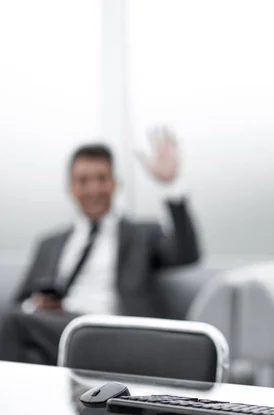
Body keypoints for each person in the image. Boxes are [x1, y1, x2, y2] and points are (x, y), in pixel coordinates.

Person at [0, 126, 201, 365]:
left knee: (13, 328)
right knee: (25, 347)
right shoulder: (49, 244)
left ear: (114, 184)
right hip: (57, 330)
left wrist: (171, 186)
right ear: (71, 188)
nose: (93, 189)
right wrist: (35, 305)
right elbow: (18, 303)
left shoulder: (142, 235)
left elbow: (187, 253)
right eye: (83, 180)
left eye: (101, 179)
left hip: (115, 332)